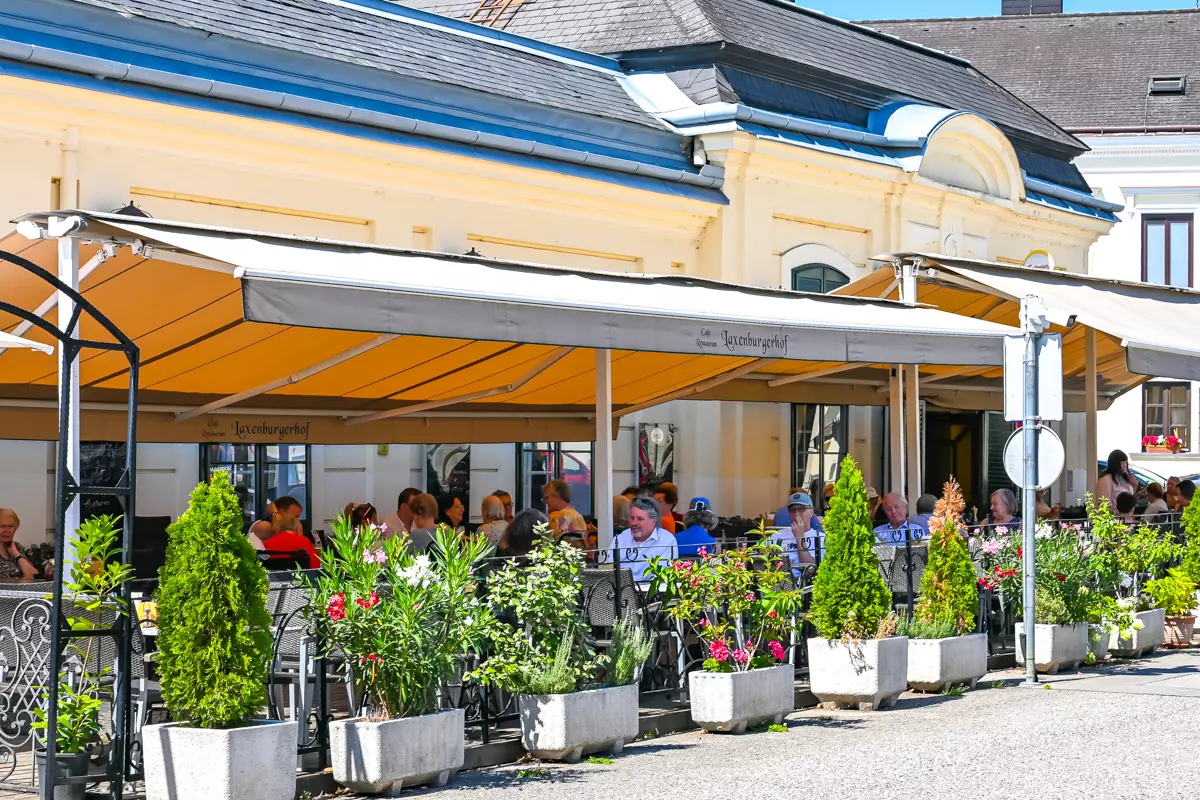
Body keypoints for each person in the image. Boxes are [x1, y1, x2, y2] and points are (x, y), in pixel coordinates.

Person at [614, 497, 678, 583]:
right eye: (632, 518)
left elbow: (664, 577)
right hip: (621, 593)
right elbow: (608, 569)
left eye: (640, 519)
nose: (634, 523)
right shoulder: (620, 539)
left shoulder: (666, 541)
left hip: (650, 593)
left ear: (654, 521)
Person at [769, 492, 818, 573]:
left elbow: (810, 570)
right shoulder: (777, 536)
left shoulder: (820, 537)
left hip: (806, 583)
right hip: (783, 582)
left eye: (801, 509)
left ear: (811, 512)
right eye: (792, 510)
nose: (796, 514)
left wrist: (800, 538)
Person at [544, 479, 589, 548]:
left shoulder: (555, 517)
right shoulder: (578, 516)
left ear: (556, 496)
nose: (545, 502)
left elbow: (545, 544)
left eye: (547, 497)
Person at [0, 508, 36, 580]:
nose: (7, 530)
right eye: (2, 526)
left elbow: (33, 576)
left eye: (11, 526)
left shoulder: (17, 547)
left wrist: (16, 553)